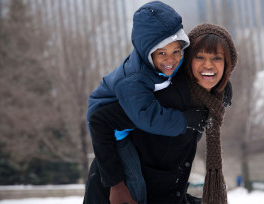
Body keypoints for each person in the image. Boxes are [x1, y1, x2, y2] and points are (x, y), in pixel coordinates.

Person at [84, 23, 238, 204]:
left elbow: (168, 171)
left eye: (217, 58)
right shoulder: (164, 95)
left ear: (228, 64)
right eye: (200, 57)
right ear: (188, 60)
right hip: (117, 196)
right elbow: (100, 120)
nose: (208, 65)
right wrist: (116, 185)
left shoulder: (208, 102)